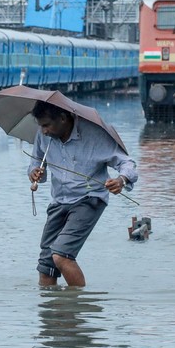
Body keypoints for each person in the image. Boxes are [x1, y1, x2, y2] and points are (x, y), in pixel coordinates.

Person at [28, 101, 138, 287]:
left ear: (63, 119)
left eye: (47, 125)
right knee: (46, 264)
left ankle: (77, 309)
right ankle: (51, 313)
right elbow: (36, 160)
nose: (44, 131)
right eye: (41, 126)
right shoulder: (44, 137)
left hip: (88, 199)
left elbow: (127, 163)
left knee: (62, 256)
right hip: (59, 200)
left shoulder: (95, 134)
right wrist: (35, 172)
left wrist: (121, 180)